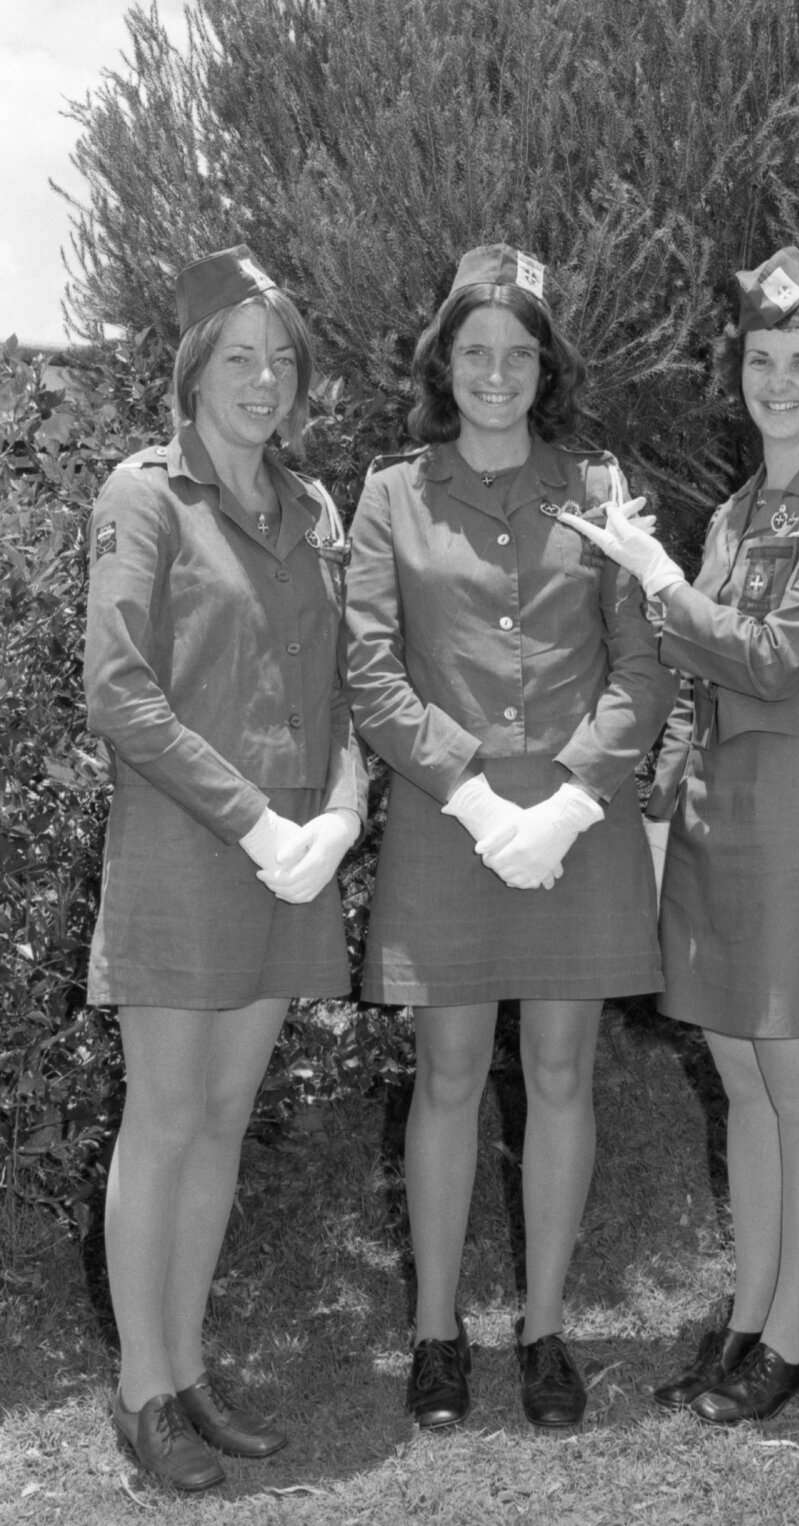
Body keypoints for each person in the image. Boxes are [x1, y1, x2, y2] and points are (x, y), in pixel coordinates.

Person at [561, 246, 799, 1424]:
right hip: (718, 807)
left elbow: (769, 655)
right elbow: (704, 676)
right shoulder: (737, 510)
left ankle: (797, 1337)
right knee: (746, 1078)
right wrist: (654, 801)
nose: (779, 382)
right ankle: (751, 1318)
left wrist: (652, 569)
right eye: (761, 361)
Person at [345, 244, 674, 1430]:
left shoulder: (596, 485)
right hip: (451, 822)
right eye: (474, 351)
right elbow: (372, 671)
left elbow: (640, 665)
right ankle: (437, 1332)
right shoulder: (392, 491)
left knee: (559, 1074)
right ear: (444, 363)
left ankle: (543, 1328)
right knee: (443, 1077)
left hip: (576, 828)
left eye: (518, 352)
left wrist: (577, 798)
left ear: (546, 365)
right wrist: (478, 798)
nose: (496, 372)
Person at [84, 244, 366, 1489]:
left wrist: (341, 817)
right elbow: (119, 691)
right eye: (240, 358)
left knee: (225, 1120)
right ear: (196, 367)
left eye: (283, 359)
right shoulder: (143, 495)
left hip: (292, 857)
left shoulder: (315, 509)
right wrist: (257, 820)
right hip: (191, 847)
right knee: (164, 1118)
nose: (265, 380)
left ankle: (189, 1363)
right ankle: (141, 1385)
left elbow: (351, 686)